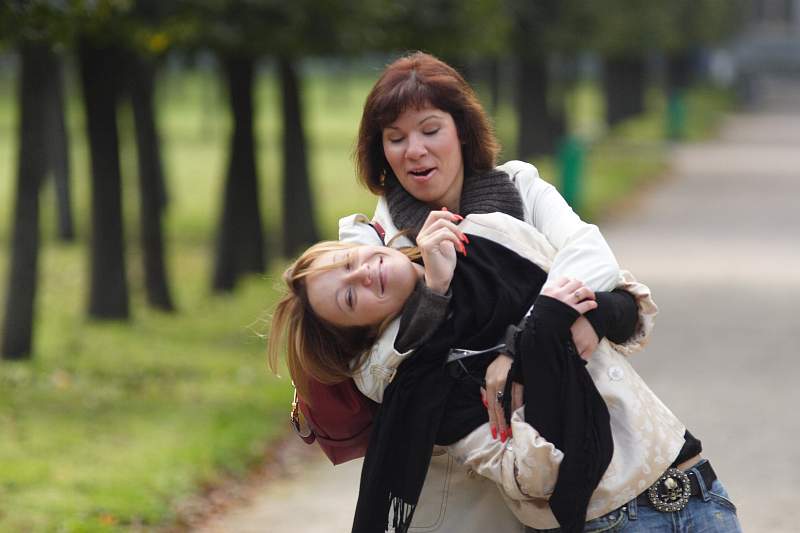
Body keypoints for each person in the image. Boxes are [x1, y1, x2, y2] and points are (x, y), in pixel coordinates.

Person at [268, 211, 742, 533]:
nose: (363, 274)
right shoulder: (419, 381)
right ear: (362, 332)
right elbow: (530, 480)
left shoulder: (490, 239)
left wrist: (555, 328)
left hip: (692, 482)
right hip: (607, 519)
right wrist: (538, 334)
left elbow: (630, 312)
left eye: (350, 261)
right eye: (350, 298)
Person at [340, 50, 629, 531]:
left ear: (462, 131)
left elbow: (597, 263)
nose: (414, 150)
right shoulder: (371, 245)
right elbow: (372, 374)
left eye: (430, 130)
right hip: (452, 491)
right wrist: (434, 287)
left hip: (554, 462)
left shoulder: (522, 190)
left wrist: (524, 343)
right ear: (380, 151)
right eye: (395, 138)